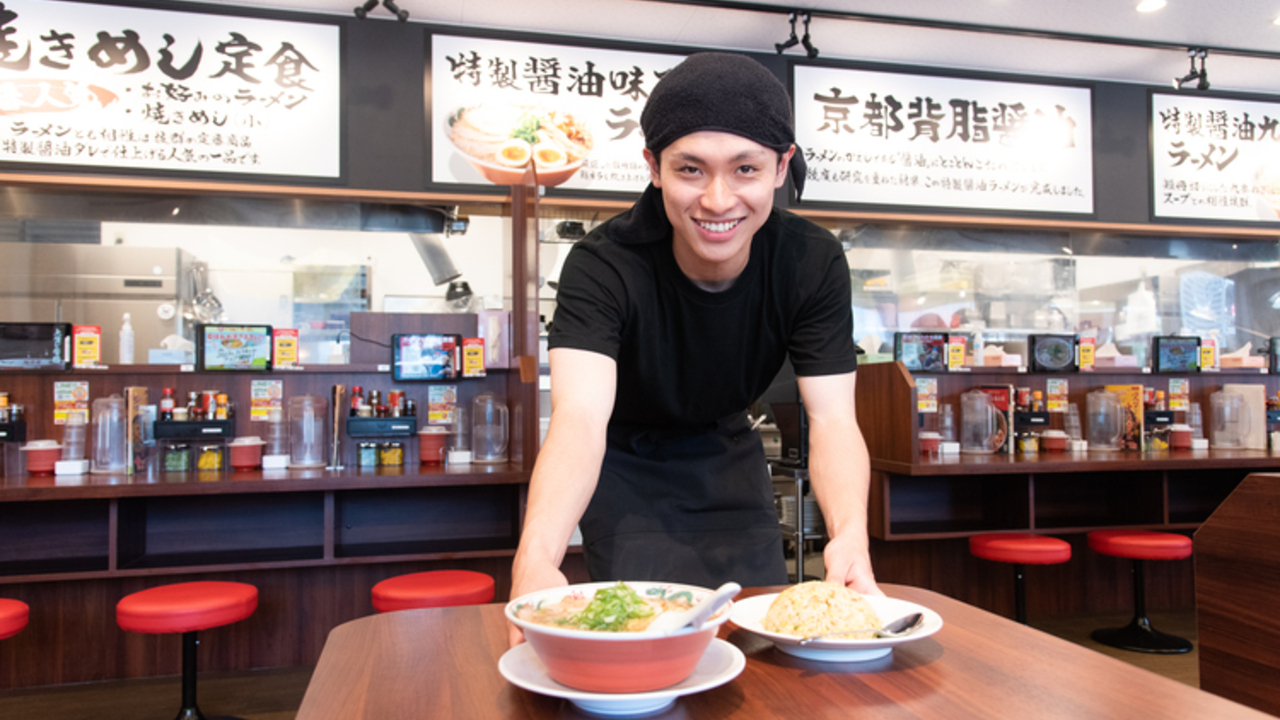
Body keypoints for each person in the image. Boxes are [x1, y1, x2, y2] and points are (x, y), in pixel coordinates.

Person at [510, 52, 878, 641]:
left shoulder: (810, 261)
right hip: (627, 465)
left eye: (745, 170)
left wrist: (850, 536)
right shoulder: (604, 265)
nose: (717, 200)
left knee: (757, 639)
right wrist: (535, 558)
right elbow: (579, 419)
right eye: (690, 170)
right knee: (645, 641)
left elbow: (832, 418)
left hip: (728, 455)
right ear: (653, 167)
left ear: (782, 167)